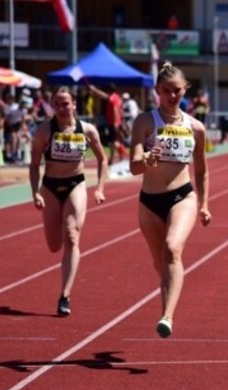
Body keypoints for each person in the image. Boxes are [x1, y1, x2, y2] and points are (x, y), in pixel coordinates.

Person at [129, 61, 211, 338]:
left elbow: (201, 170)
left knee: (172, 248)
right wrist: (146, 161)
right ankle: (168, 296)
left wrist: (204, 204)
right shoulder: (144, 121)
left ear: (185, 89)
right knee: (160, 262)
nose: (172, 96)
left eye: (177, 90)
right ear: (157, 91)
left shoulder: (196, 127)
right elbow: (133, 166)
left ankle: (167, 316)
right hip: (149, 202)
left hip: (182, 196)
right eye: (167, 91)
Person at [28, 87, 109, 316]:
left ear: (74, 104)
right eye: (57, 104)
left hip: (76, 184)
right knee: (54, 245)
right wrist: (35, 192)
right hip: (51, 188)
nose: (62, 109)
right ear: (53, 106)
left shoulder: (88, 130)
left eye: (66, 104)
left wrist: (100, 188)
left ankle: (65, 295)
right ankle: (64, 275)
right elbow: (34, 164)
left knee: (72, 235)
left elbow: (103, 160)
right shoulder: (45, 130)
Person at [88, 83, 126, 163]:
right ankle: (112, 159)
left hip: (113, 123)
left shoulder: (112, 98)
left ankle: (122, 156)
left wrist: (94, 89)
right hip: (116, 122)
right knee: (112, 142)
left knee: (115, 142)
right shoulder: (117, 97)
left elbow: (115, 109)